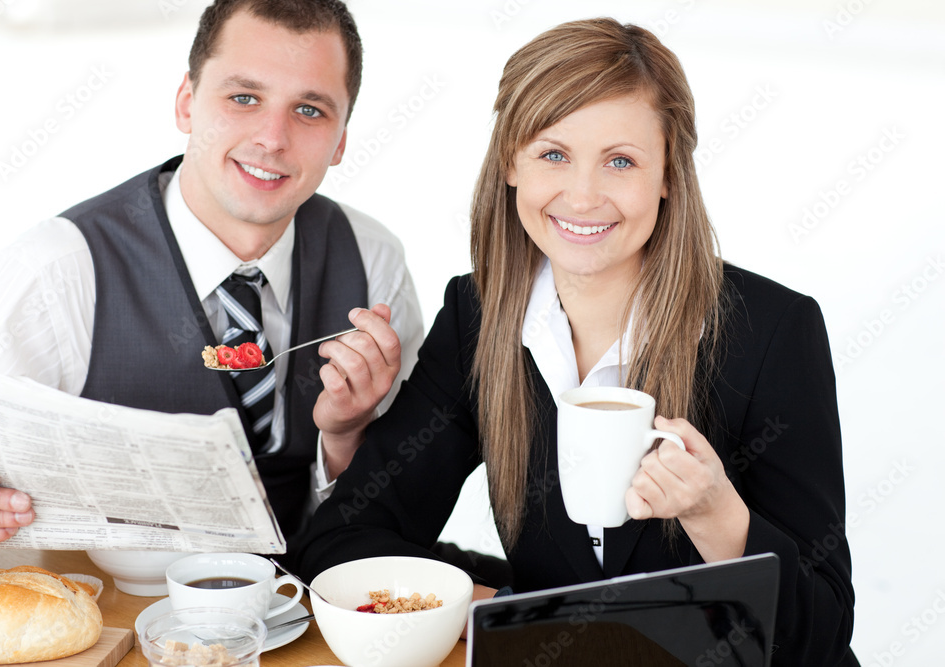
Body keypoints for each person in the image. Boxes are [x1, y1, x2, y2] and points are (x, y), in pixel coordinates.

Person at [296, 17, 858, 666]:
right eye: (553, 153)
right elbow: (344, 539)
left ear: (668, 175)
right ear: (512, 163)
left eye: (620, 161)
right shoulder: (478, 317)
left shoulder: (772, 331)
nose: (583, 195)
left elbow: (823, 634)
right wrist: (505, 615)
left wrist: (716, 515)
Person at [0, 0, 423, 570]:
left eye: (310, 110)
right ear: (187, 103)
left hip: (312, 617)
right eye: (243, 98)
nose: (272, 138)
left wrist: (348, 436)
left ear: (341, 139)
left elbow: (402, 502)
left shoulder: (373, 260)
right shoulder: (57, 269)